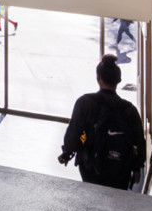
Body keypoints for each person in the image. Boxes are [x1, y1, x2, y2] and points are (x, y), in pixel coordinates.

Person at [59, 54, 146, 189]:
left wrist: (67, 153)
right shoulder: (130, 110)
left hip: (91, 167)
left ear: (98, 78)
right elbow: (139, 141)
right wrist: (137, 167)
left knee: (92, 198)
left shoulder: (85, 102)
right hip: (120, 169)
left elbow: (74, 131)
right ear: (119, 80)